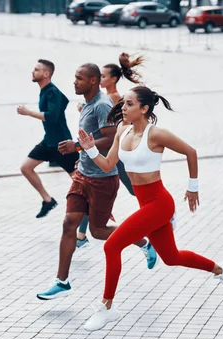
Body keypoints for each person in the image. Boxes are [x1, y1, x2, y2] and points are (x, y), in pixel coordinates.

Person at [78, 86, 223, 331]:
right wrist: (89, 149)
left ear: (144, 109)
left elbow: (190, 152)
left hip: (160, 204)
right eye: (123, 103)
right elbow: (108, 164)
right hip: (146, 204)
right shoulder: (122, 131)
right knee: (171, 257)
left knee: (112, 246)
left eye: (129, 104)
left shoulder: (156, 135)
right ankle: (221, 269)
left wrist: (193, 187)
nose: (123, 107)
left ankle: (106, 308)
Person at [36, 64, 158, 301]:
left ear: (92, 81)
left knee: (99, 231)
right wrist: (78, 153)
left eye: (79, 78)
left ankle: (144, 242)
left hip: (102, 179)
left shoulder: (101, 105)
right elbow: (90, 137)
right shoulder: (88, 105)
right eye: (74, 77)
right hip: (82, 174)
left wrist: (77, 146)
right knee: (69, 223)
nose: (74, 82)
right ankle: (62, 281)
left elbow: (112, 138)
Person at [76, 53, 146, 249]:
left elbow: (112, 130)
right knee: (87, 199)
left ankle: (159, 215)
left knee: (134, 189)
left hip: (115, 153)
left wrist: (82, 147)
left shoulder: (110, 99)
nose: (102, 79)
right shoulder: (99, 100)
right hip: (100, 157)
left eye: (104, 76)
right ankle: (81, 235)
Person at [17, 59, 79, 218]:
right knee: (26, 167)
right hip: (48, 141)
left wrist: (28, 112)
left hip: (62, 143)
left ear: (46, 74)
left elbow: (51, 117)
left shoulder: (52, 92)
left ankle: (96, 207)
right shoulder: (46, 91)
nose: (33, 72)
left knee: (78, 179)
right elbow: (63, 101)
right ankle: (47, 200)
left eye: (36, 69)